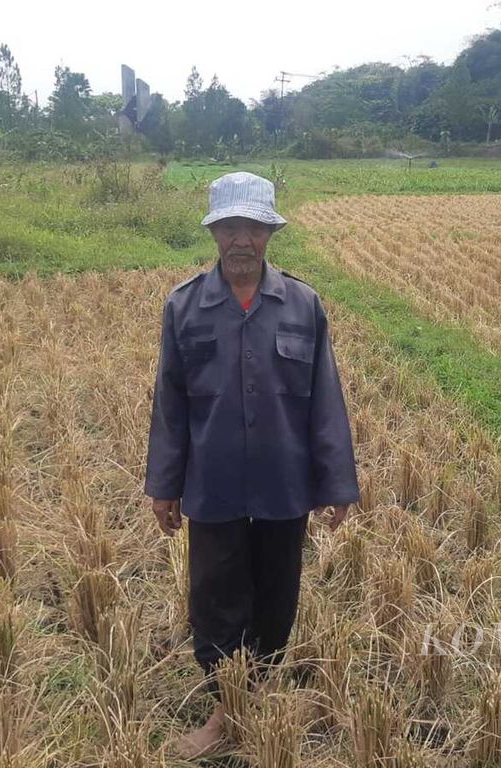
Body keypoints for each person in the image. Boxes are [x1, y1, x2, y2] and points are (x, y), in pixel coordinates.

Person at [144, 171, 359, 758]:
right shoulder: (184, 307)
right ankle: (226, 706)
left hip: (282, 484)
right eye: (230, 227)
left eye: (254, 227)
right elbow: (170, 400)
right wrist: (164, 484)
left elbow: (325, 398)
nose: (242, 238)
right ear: (215, 232)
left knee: (275, 594)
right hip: (212, 486)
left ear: (270, 233)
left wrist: (336, 482)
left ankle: (253, 688)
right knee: (214, 596)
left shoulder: (303, 305)